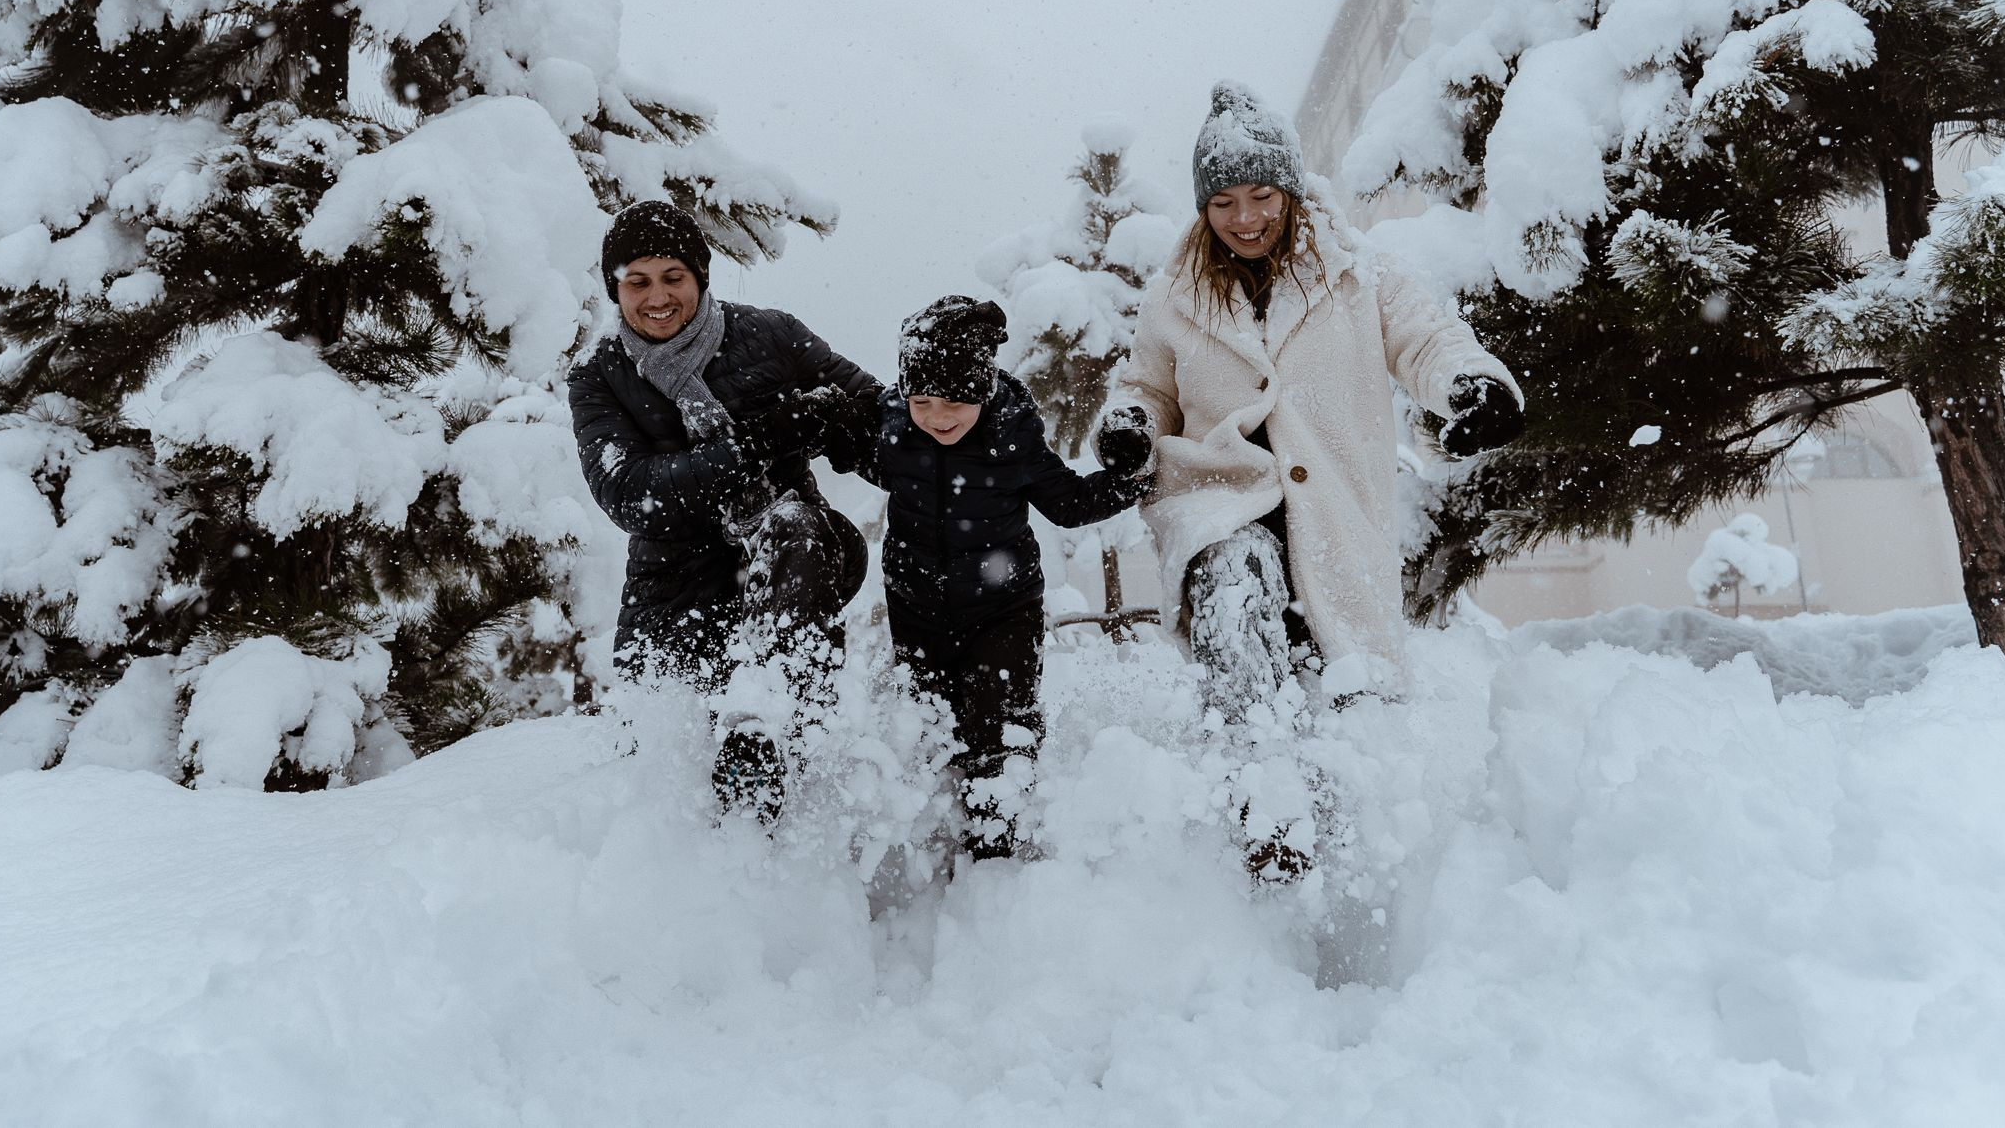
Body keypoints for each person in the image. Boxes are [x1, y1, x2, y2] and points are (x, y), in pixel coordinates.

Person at [1115, 82, 1524, 879]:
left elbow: (1430, 341)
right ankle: (1267, 819)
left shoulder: (1359, 277)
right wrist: (1131, 424)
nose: (1244, 218)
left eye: (1262, 194)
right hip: (1222, 505)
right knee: (1235, 595)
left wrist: (1471, 384)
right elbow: (1148, 388)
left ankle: (1357, 881)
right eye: (1224, 201)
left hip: (1333, 520)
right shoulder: (1173, 297)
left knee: (1337, 698)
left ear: (1293, 191)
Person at [568, 200, 879, 824]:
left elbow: (880, 417)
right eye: (638, 281)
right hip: (673, 600)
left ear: (701, 276)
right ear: (616, 289)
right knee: (682, 810)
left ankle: (765, 716)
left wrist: (839, 421)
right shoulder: (600, 378)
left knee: (795, 778)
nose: (657, 297)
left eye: (673, 277)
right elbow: (635, 495)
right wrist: (760, 439)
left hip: (792, 575)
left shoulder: (772, 335)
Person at [853, 295, 1152, 859]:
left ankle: (997, 845)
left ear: (983, 390)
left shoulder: (1013, 437)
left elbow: (1066, 503)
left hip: (1003, 609)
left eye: (954, 402)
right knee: (931, 722)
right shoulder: (895, 431)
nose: (938, 417)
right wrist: (813, 421)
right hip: (916, 606)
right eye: (922, 400)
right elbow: (858, 455)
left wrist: (1128, 479)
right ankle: (934, 845)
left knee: (998, 720)